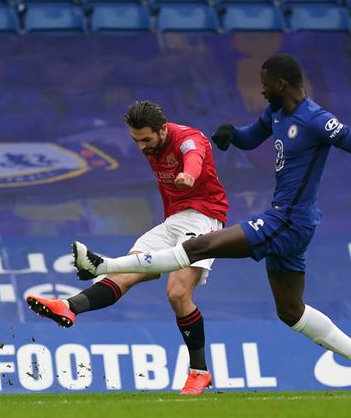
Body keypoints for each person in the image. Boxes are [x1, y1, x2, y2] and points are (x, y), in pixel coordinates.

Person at [71, 54, 351, 394]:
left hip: (288, 220)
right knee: (291, 312)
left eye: (264, 83)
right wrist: (230, 134)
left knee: (197, 246)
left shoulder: (316, 120)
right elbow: (252, 137)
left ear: (280, 83)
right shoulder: (277, 113)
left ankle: (106, 264)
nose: (261, 89)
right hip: (290, 223)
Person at [26, 100, 229, 395]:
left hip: (203, 217)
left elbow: (194, 156)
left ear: (162, 129)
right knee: (125, 274)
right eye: (136, 141)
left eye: (146, 140)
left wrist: (189, 174)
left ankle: (199, 372)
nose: (142, 147)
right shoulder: (150, 143)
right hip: (173, 221)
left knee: (177, 292)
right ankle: (68, 307)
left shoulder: (188, 140)